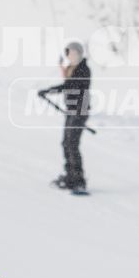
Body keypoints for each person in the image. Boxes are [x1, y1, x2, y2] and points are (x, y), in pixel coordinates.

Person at [41, 41, 93, 194]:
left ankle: (79, 181)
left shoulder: (83, 69)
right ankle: (70, 177)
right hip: (72, 110)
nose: (68, 55)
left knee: (72, 144)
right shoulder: (73, 68)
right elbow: (68, 81)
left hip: (79, 111)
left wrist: (50, 90)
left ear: (78, 53)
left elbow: (71, 85)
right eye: (67, 53)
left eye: (70, 52)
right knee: (66, 143)